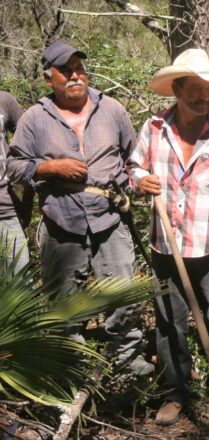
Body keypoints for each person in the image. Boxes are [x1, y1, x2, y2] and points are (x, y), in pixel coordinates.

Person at [6, 40, 152, 375]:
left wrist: (140, 181)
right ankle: (73, 366)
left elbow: (133, 162)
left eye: (79, 69)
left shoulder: (112, 110)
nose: (75, 76)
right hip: (60, 220)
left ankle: (128, 362)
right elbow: (13, 167)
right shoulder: (33, 119)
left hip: (110, 219)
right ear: (49, 78)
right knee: (64, 303)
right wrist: (47, 169)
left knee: (122, 293)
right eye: (65, 70)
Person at [129, 48, 209, 426]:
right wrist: (139, 181)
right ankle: (175, 392)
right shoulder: (153, 129)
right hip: (166, 246)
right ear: (177, 90)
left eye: (208, 89)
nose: (203, 97)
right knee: (170, 322)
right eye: (195, 89)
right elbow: (133, 167)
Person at [0, 90, 32, 271]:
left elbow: (30, 146)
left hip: (5, 211)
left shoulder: (4, 100)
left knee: (18, 285)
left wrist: (27, 201)